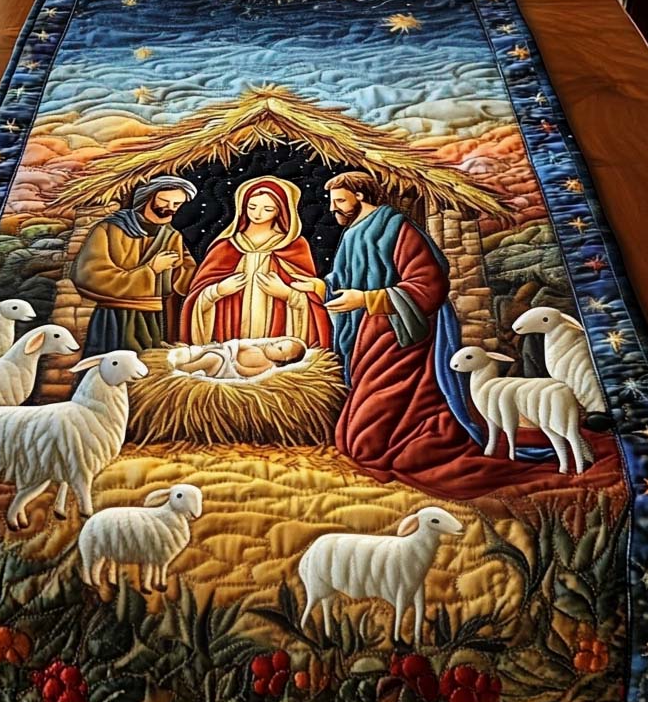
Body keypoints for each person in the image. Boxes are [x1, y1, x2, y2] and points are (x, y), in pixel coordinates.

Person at [291, 172, 609, 499]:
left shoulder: (395, 228)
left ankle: (427, 439)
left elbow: (428, 283)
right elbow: (347, 280)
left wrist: (368, 299)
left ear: (360, 195)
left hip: (402, 332)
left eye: (339, 200)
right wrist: (319, 287)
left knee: (368, 439)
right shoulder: (353, 232)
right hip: (369, 334)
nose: (333, 208)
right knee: (352, 437)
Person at [180, 176, 331, 347]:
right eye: (252, 207)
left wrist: (288, 294)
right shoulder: (226, 246)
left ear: (280, 211)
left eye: (268, 209)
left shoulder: (294, 246)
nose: (257, 214)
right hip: (230, 337)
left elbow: (312, 297)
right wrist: (218, 291)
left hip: (278, 341)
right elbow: (196, 295)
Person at [72, 175, 197, 354]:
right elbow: (89, 276)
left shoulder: (171, 235)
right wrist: (151, 270)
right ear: (147, 198)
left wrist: (178, 271)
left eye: (177, 204)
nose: (170, 208)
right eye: (164, 201)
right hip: (117, 317)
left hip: (158, 318)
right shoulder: (109, 229)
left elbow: (188, 278)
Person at [176, 337, 307, 380]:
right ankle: (194, 364)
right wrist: (234, 347)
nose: (272, 345)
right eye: (275, 343)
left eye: (279, 348)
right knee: (212, 354)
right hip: (228, 355)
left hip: (226, 368)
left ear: (284, 359)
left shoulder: (268, 365)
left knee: (213, 358)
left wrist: (237, 367)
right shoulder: (259, 348)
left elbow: (250, 372)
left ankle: (188, 368)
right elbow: (240, 345)